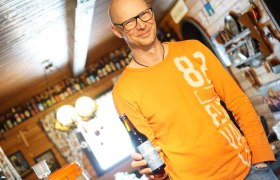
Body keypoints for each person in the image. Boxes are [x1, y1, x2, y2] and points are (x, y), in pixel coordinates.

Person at [108, 0, 277, 179]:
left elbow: (238, 102)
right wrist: (154, 173)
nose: (142, 24)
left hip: (250, 170)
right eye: (129, 22)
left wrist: (260, 158)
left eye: (144, 14)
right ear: (117, 31)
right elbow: (154, 155)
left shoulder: (194, 50)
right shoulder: (124, 92)